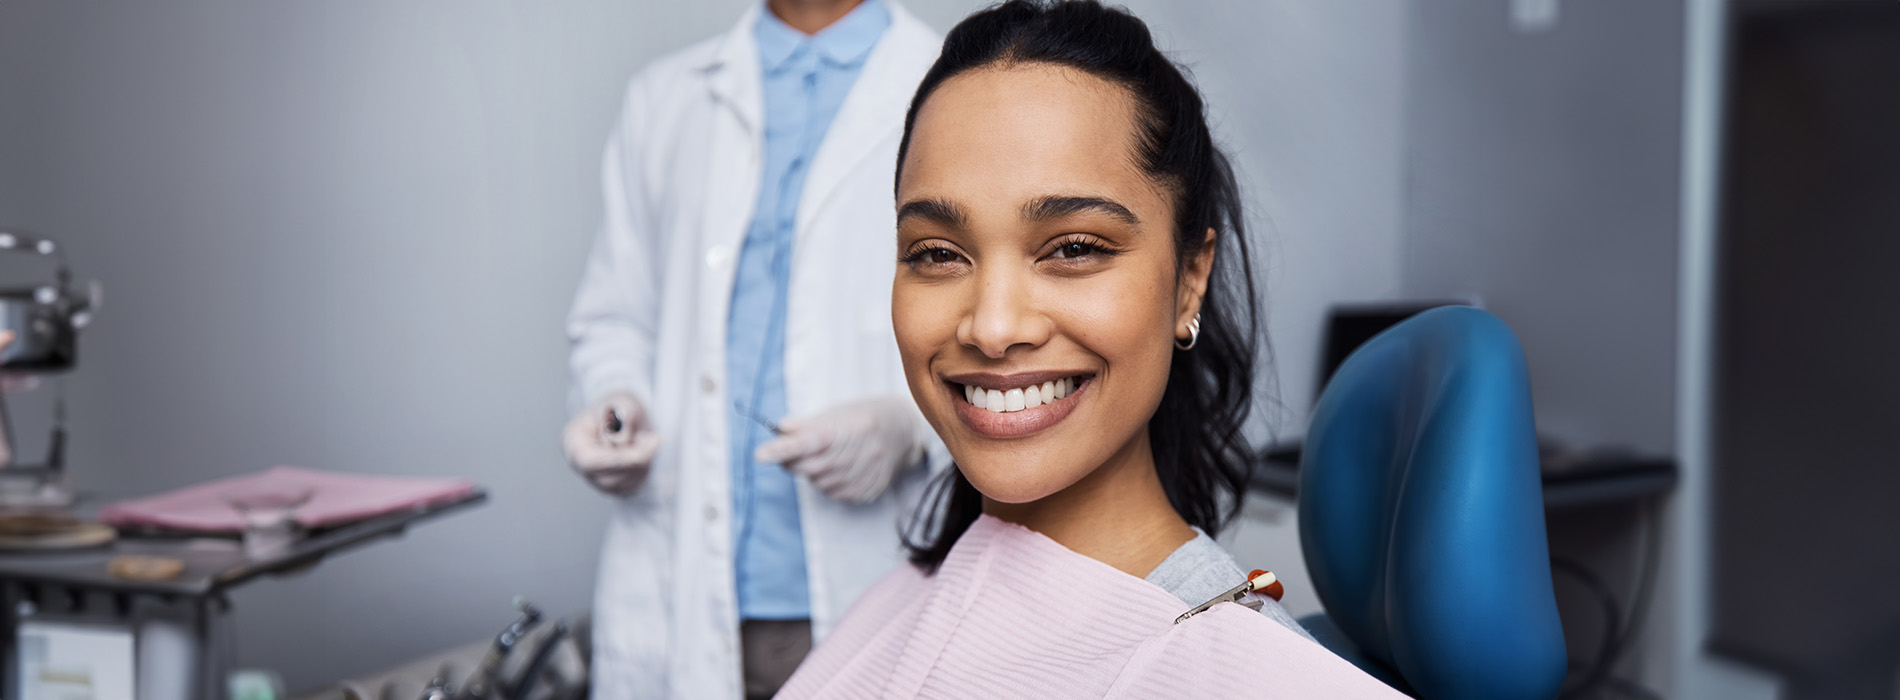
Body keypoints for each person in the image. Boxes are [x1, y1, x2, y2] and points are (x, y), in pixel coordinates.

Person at [775, 1, 1406, 696]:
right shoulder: (903, 599)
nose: (992, 326)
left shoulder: (1240, 670)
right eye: (937, 253)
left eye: (1074, 248)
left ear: (1190, 280)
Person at [560, 1, 944, 697]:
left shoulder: (948, 85)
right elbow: (615, 316)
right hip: (681, 591)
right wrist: (616, 400)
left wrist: (913, 427)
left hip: (865, 589)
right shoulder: (666, 96)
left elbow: (1002, 325)